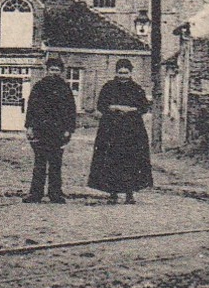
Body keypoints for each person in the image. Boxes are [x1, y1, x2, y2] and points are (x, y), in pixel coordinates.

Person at [88, 59, 153, 203]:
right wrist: (113, 107)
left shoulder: (137, 89)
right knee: (111, 160)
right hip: (111, 130)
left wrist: (129, 109)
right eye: (120, 73)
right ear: (116, 73)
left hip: (132, 131)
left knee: (131, 160)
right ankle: (113, 193)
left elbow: (144, 107)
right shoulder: (108, 87)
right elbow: (100, 105)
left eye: (126, 73)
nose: (123, 76)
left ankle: (130, 193)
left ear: (130, 73)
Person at [23, 57, 76, 203]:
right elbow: (31, 108)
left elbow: (71, 110)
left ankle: (55, 193)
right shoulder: (38, 87)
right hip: (40, 129)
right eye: (52, 69)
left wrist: (69, 129)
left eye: (57, 70)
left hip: (58, 131)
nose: (54, 73)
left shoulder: (65, 89)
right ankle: (35, 194)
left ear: (61, 72)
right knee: (39, 162)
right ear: (46, 70)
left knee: (55, 163)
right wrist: (29, 127)